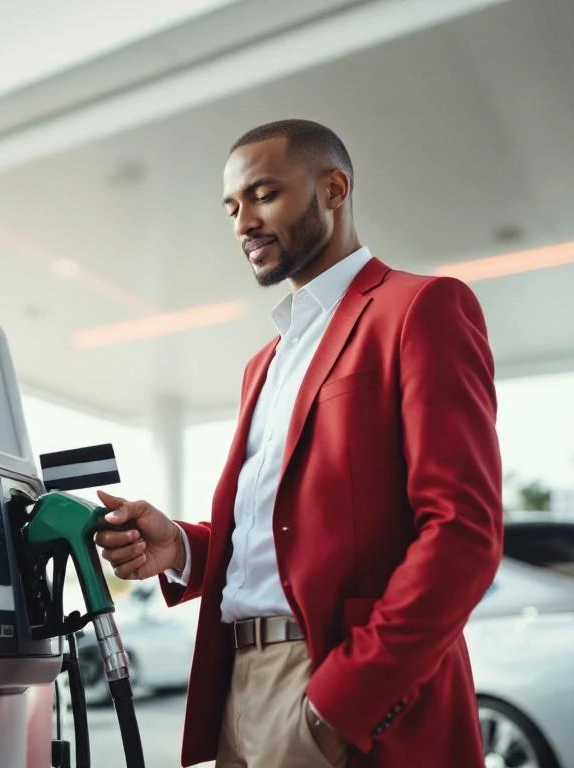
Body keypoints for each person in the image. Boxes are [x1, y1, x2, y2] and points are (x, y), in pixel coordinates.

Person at [95, 119, 503, 768]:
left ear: (333, 190)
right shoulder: (266, 361)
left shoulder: (417, 309)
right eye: (231, 207)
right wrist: (181, 546)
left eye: (263, 195)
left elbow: (462, 532)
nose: (242, 223)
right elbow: (283, 532)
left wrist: (339, 705)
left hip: (334, 687)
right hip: (238, 687)